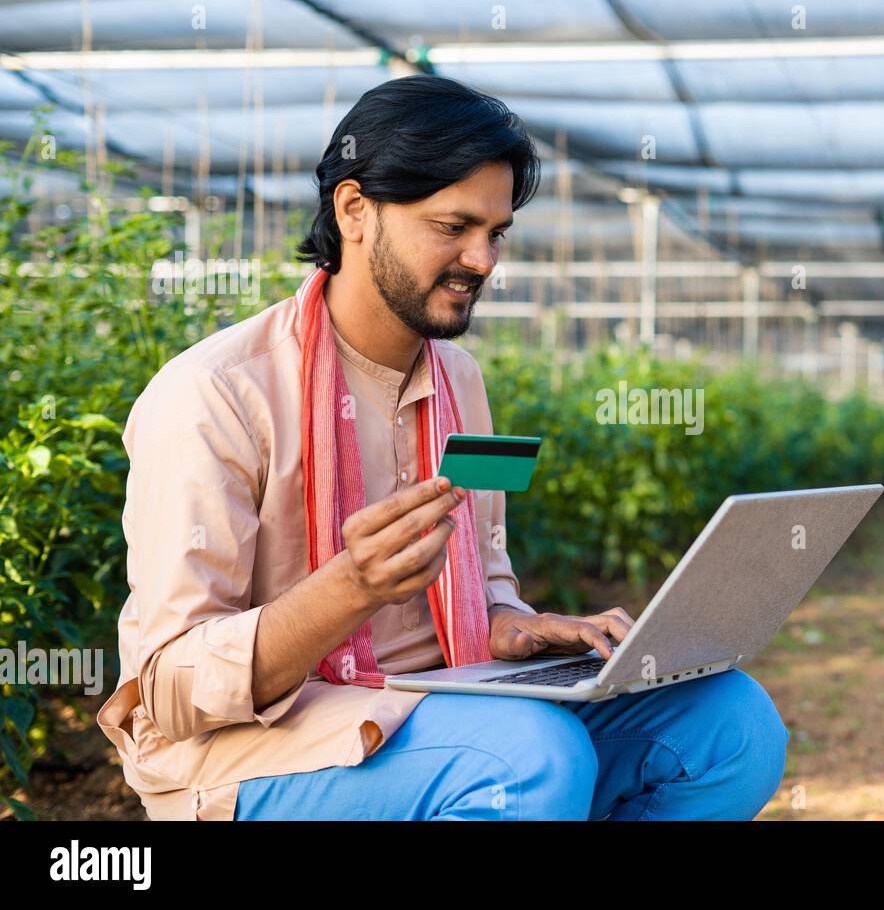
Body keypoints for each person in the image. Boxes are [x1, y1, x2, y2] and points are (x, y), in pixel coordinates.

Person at [96, 75, 789, 821]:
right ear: (355, 209)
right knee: (529, 759)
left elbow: (483, 577)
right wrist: (347, 589)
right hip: (253, 744)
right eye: (453, 226)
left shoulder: (458, 377)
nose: (483, 259)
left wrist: (513, 623)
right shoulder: (215, 394)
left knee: (730, 724)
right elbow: (169, 686)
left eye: (495, 233)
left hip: (443, 707)